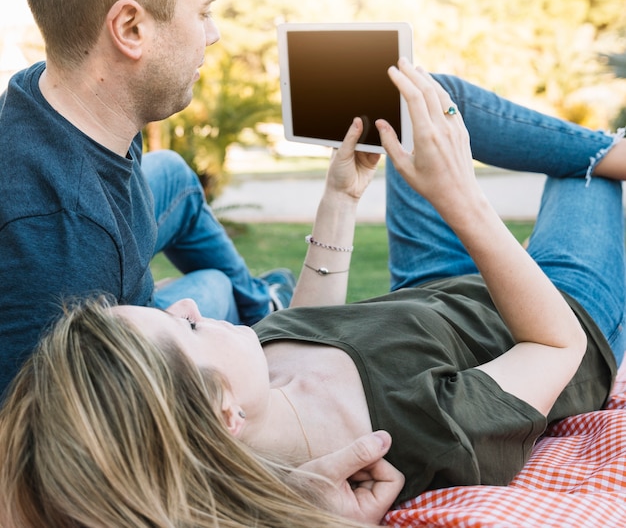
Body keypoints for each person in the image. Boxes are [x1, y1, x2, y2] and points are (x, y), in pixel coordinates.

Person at [2, 59, 626, 528]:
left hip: (434, 295)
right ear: (226, 412)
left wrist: (341, 197)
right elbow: (553, 345)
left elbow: (305, 328)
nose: (186, 303)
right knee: (584, 174)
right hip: (558, 310)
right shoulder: (400, 439)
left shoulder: (249, 398)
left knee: (421, 98)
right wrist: (461, 198)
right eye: (184, 327)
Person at [0, 0, 295, 399]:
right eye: (202, 12)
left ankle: (257, 300)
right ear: (130, 28)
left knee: (174, 176)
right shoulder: (64, 246)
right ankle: (255, 301)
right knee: (214, 290)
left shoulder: (59, 96)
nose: (214, 34)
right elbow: (49, 459)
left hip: (126, 284)